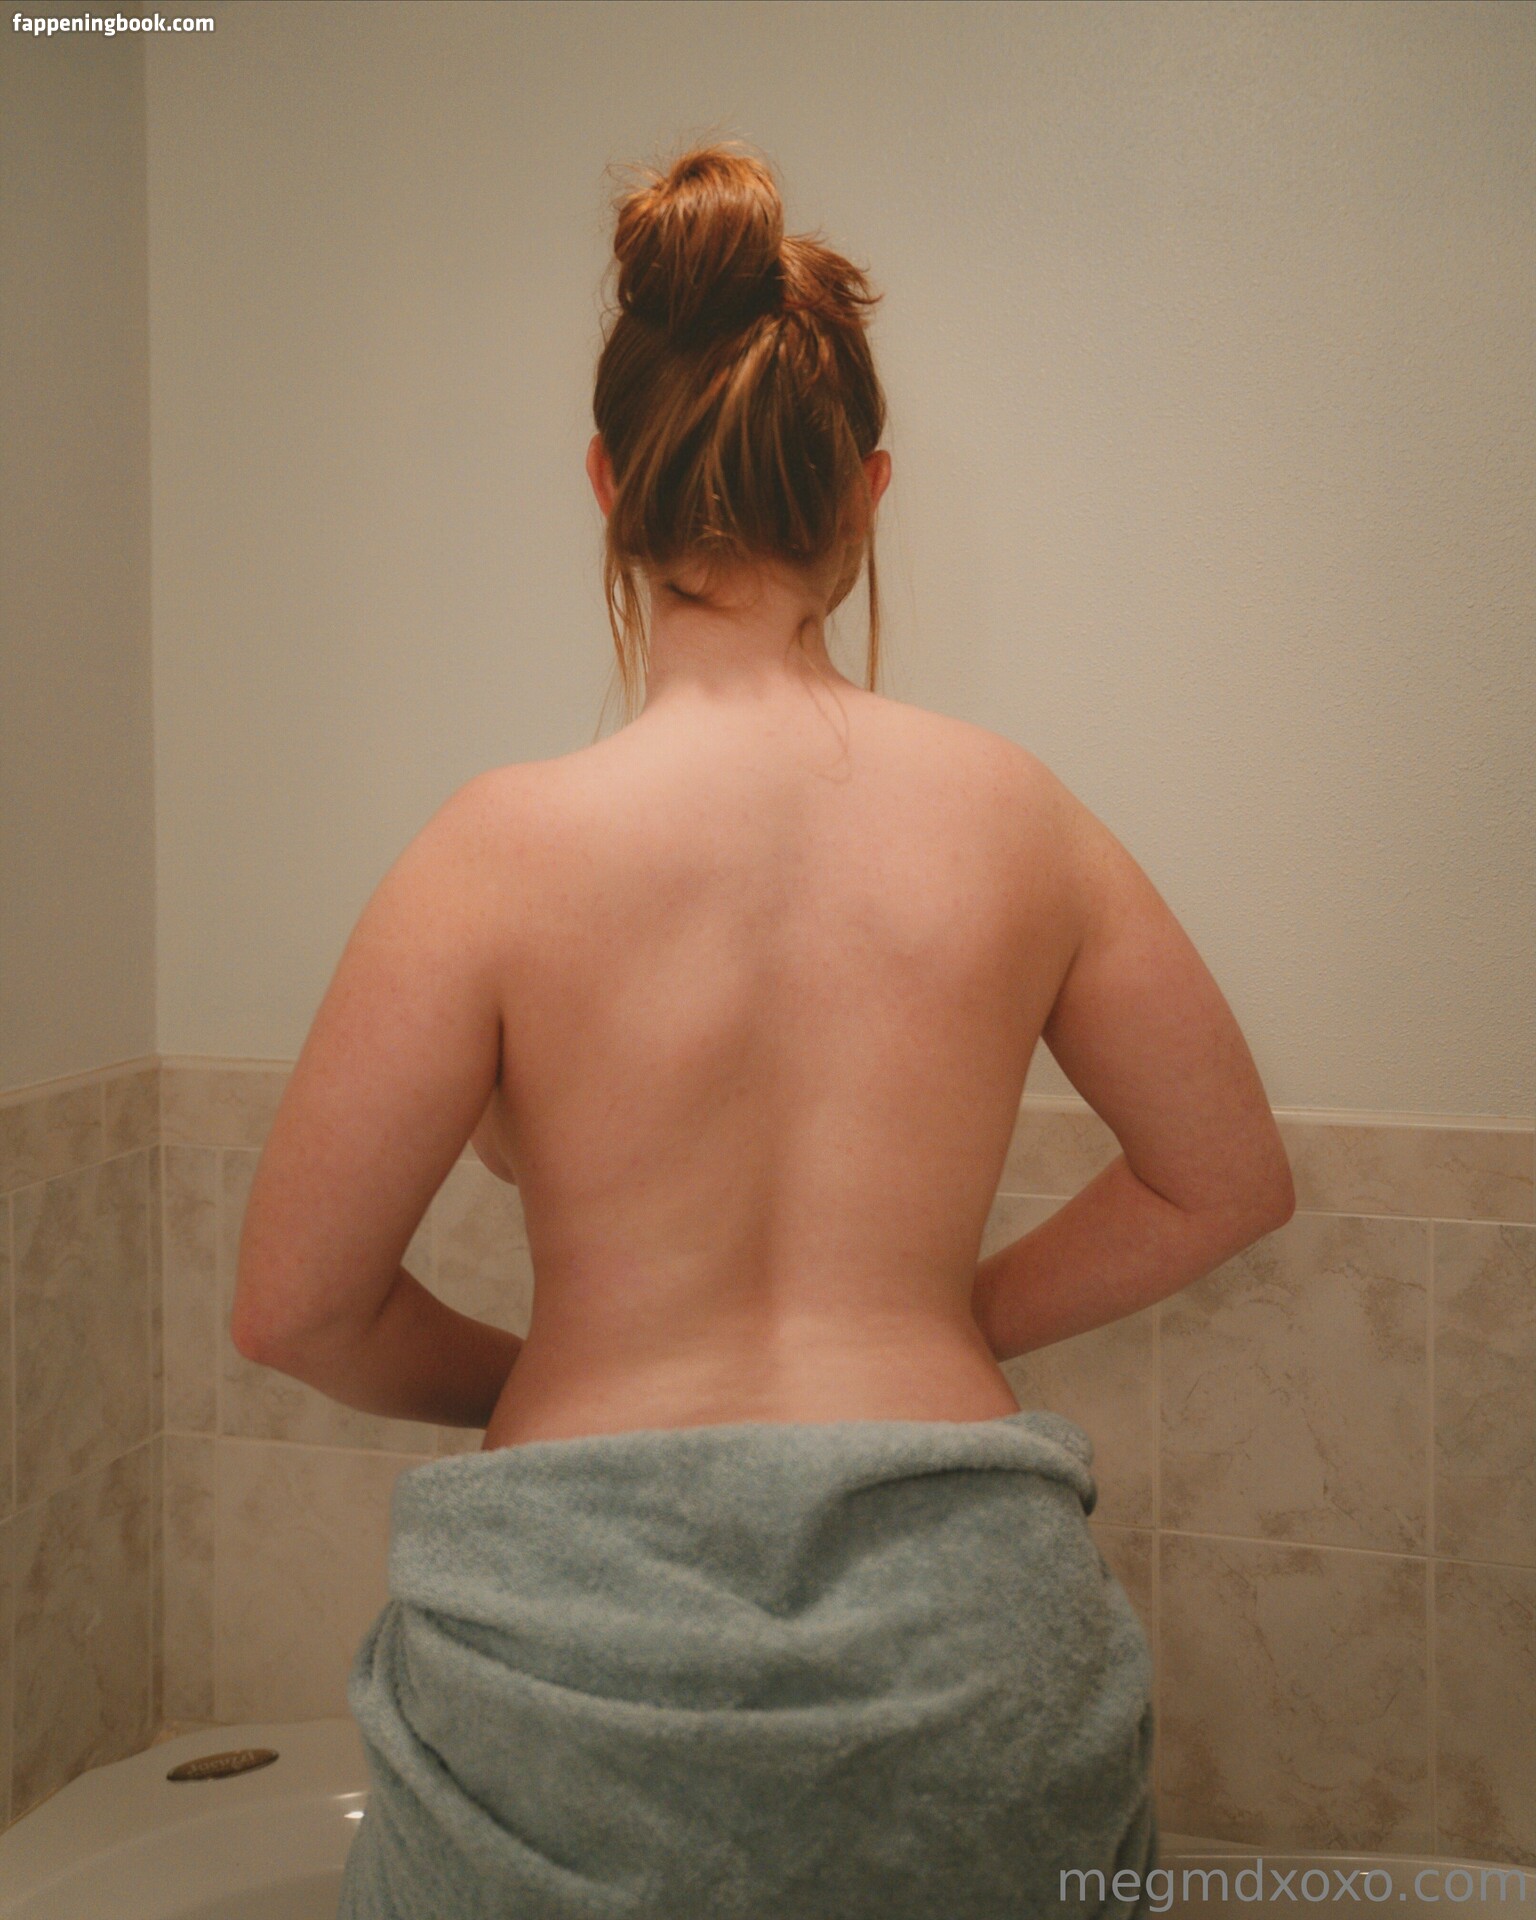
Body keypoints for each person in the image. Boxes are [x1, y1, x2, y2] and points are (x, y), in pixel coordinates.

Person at [297, 140, 1294, 1919]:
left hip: (565, 1656)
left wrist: (547, 1375)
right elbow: (1223, 1180)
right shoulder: (1021, 822)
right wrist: (938, 1319)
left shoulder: (492, 853)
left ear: (607, 482)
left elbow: (295, 1307)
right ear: (868, 495)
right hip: (966, 1641)